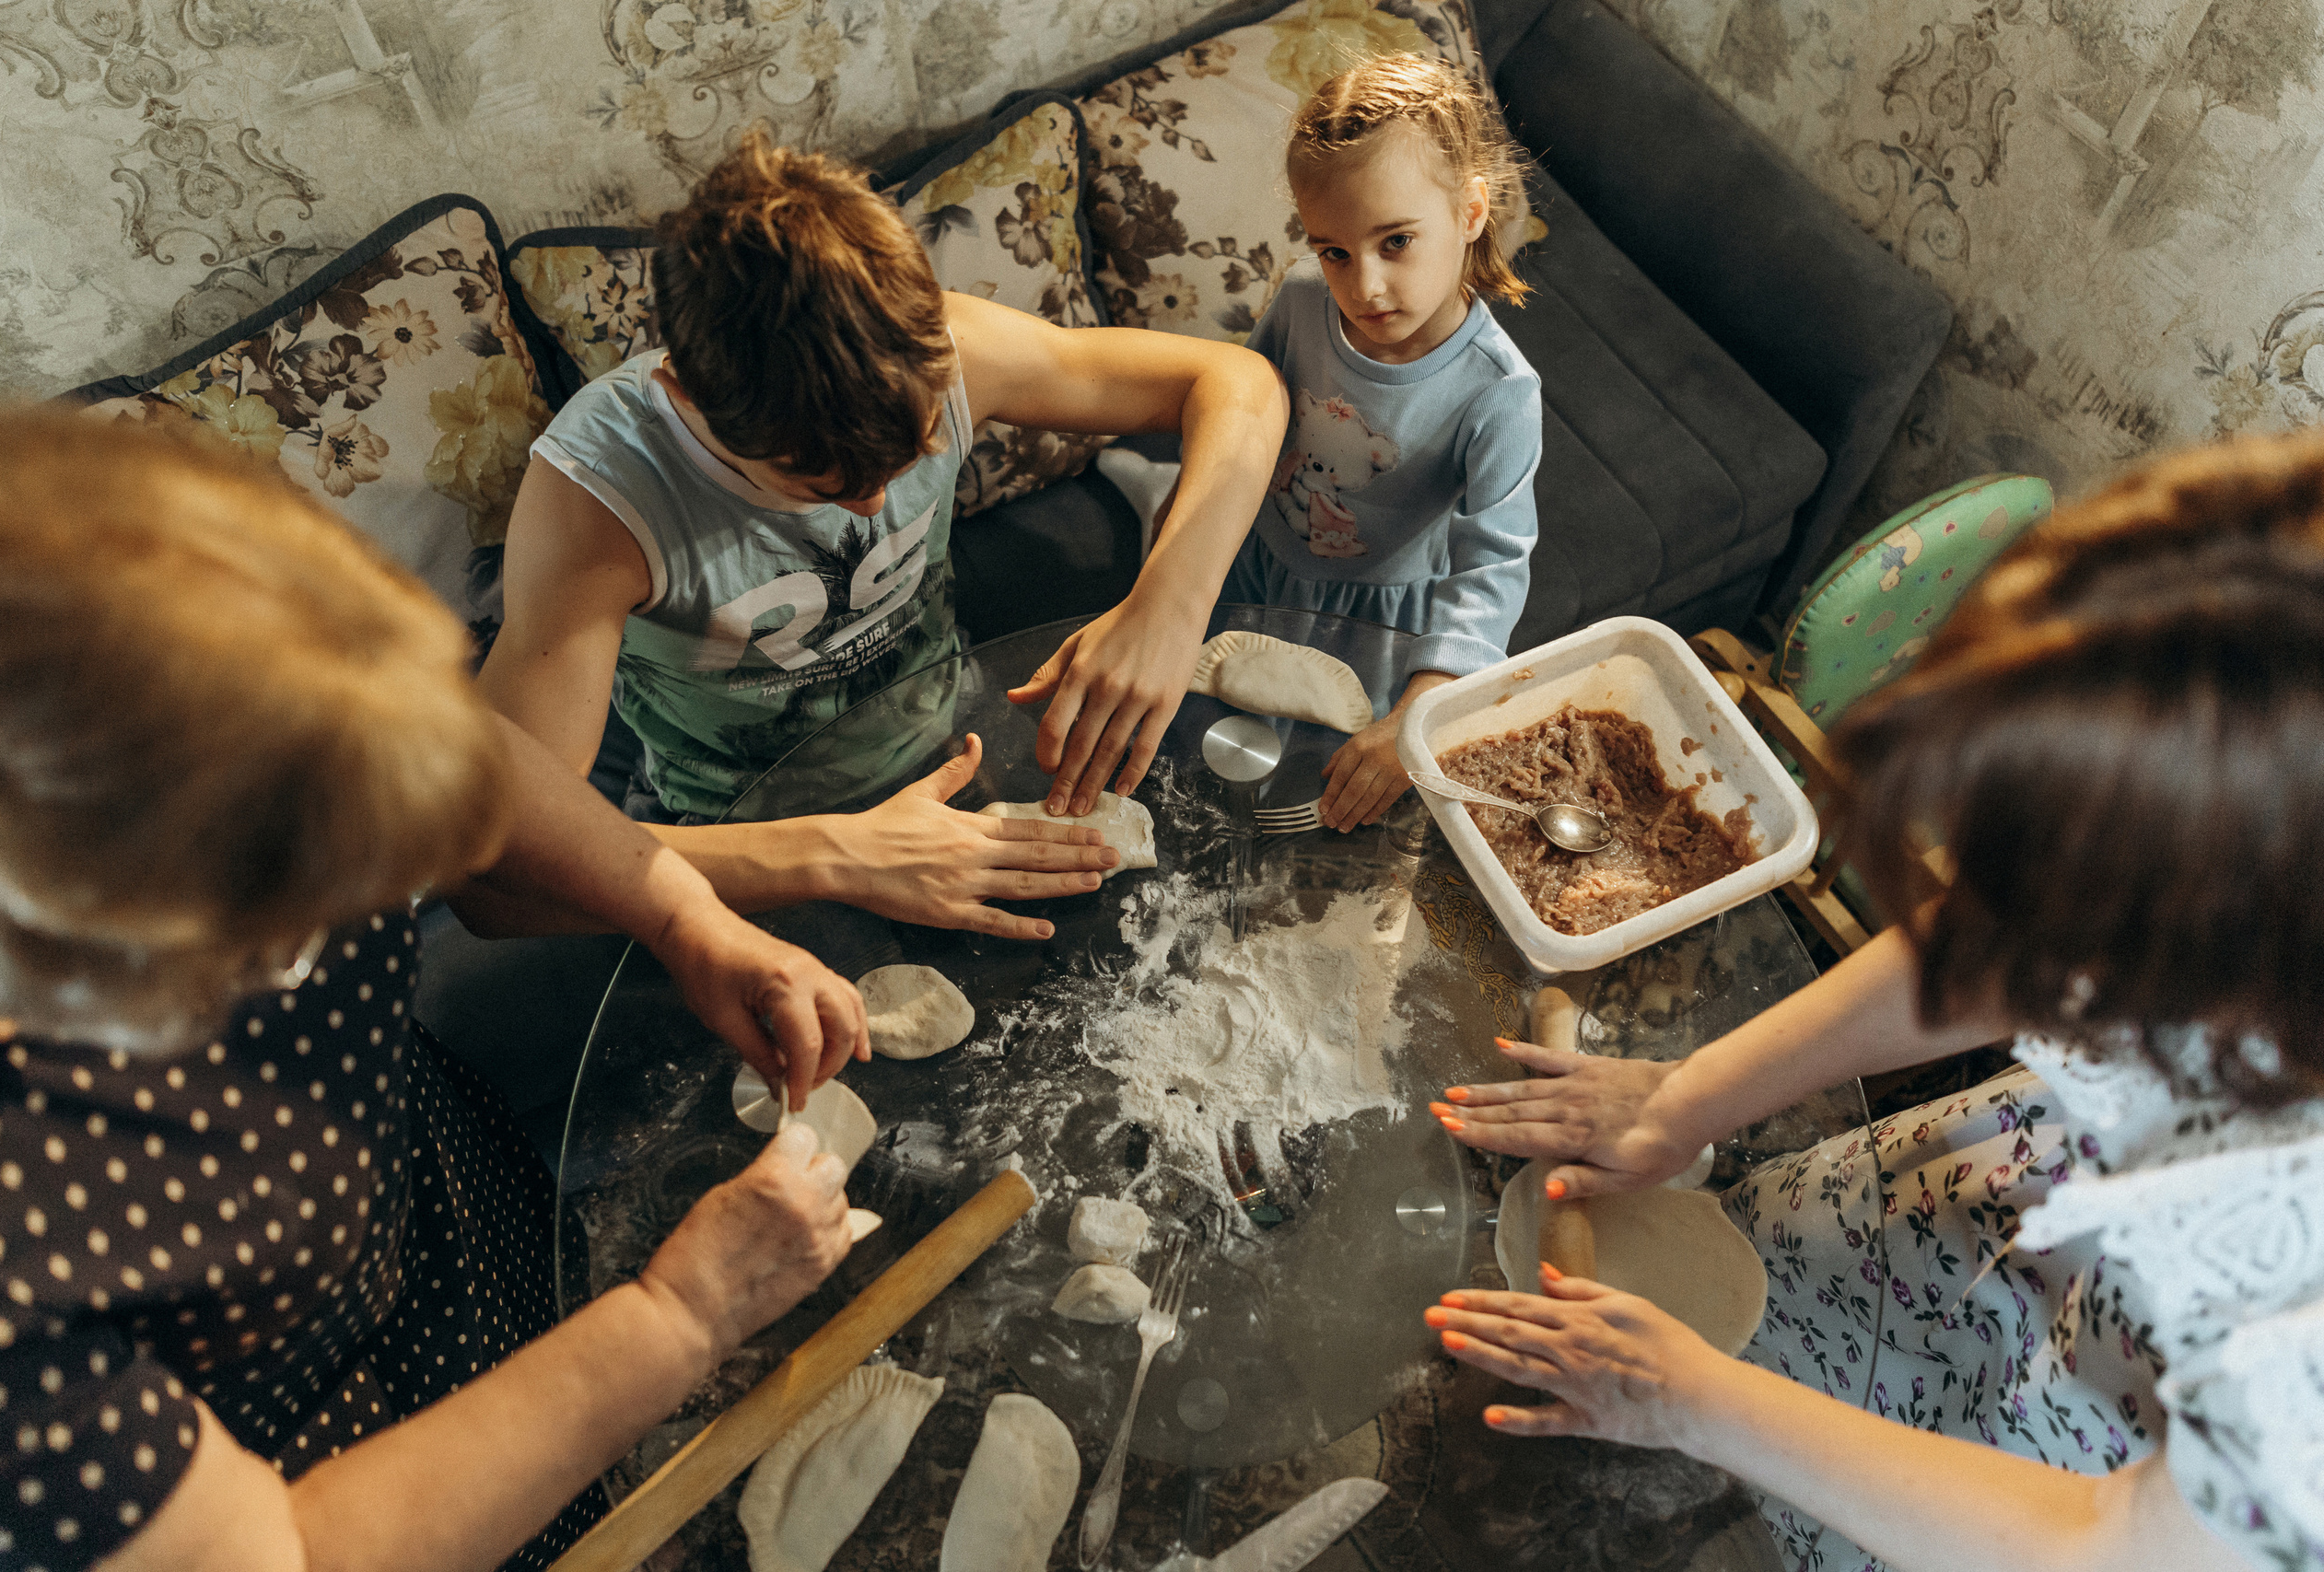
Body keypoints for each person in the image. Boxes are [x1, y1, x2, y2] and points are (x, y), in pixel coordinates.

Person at [0, 407, 875, 1570]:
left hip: (418, 1211)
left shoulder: (126, 619)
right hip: (301, 1465)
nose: (321, 957)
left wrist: (675, 911)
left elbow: (444, 750)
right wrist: (677, 1318)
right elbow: (283, 1554)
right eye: (278, 944)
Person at [1421, 428, 2324, 1571]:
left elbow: (2115, 1546)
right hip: (1979, 1200)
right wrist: (1688, 1102)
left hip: (2073, 1493)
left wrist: (1688, 1400)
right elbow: (2017, 933)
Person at [481, 134, 1287, 913]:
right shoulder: (598, 499)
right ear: (688, 396)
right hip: (741, 847)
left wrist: (1168, 608)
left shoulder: (954, 347)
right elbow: (495, 866)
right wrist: (843, 856)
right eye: (817, 482)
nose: (871, 508)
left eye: (912, 453)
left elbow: (1237, 382)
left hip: (956, 754)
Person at [1231, 54, 1544, 833]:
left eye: (1395, 241)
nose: (1363, 285)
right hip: (1259, 555)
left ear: (1471, 212)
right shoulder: (1303, 302)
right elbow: (1244, 413)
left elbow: (1492, 568)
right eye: (1334, 249)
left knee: (1321, 791)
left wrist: (1416, 719)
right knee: (1221, 750)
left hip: (1381, 608)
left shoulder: (1499, 391)